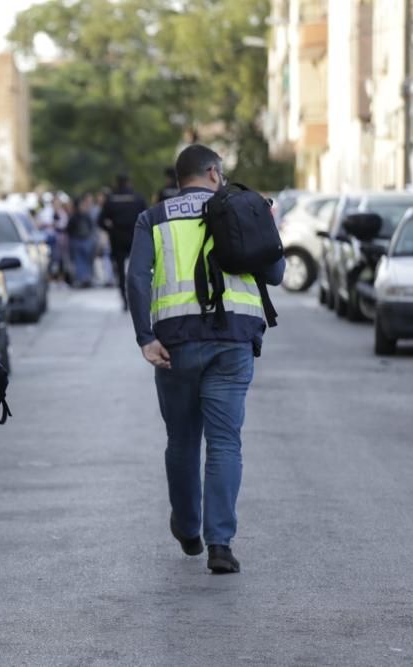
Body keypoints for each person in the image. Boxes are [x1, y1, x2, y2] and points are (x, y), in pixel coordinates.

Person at [126, 144, 285, 574]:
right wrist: (268, 231)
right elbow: (275, 274)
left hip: (175, 344)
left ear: (180, 179)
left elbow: (137, 278)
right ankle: (220, 545)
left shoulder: (153, 218)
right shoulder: (245, 207)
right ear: (214, 173)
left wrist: (145, 337)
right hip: (233, 339)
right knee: (224, 442)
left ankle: (188, 528)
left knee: (181, 440)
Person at [98, 174, 147, 310]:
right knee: (138, 270)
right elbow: (146, 217)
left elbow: (100, 221)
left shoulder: (111, 200)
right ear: (129, 183)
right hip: (135, 237)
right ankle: (138, 298)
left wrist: (111, 229)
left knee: (120, 271)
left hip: (117, 239)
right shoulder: (137, 198)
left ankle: (124, 300)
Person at [66, 193, 96, 287]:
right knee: (79, 262)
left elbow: (92, 228)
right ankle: (82, 279)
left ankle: (86, 278)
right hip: (77, 241)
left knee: (86, 261)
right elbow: (69, 229)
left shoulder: (86, 216)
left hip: (86, 241)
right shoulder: (75, 217)